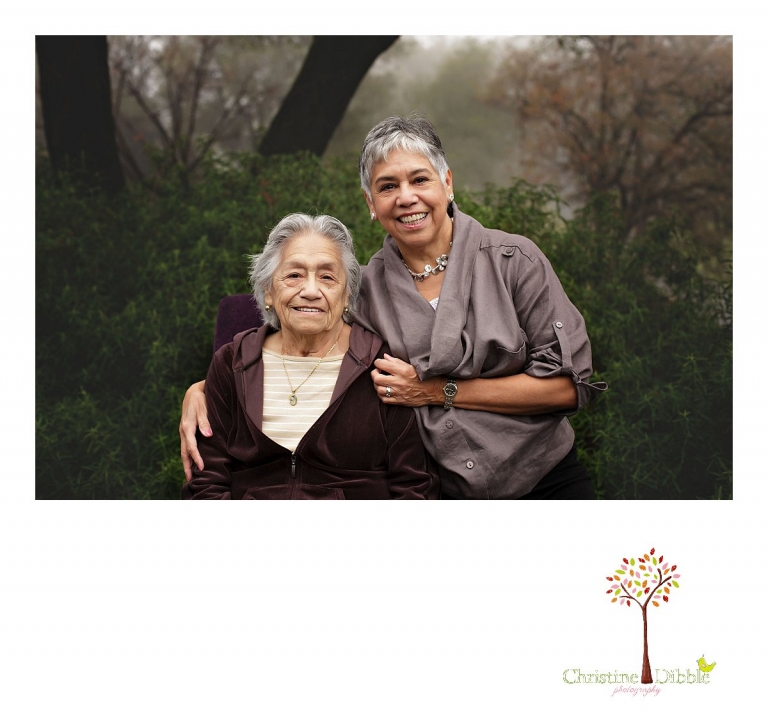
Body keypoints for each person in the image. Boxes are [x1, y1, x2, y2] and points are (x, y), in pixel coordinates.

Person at [181, 115, 606, 499]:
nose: (406, 198)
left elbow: (570, 388)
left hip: (546, 479)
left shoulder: (515, 260)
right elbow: (296, 322)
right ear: (371, 203)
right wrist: (204, 390)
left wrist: (437, 391)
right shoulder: (363, 291)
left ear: (447, 183)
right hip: (443, 490)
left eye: (419, 180)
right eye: (388, 186)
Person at [182, 212, 439, 499]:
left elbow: (413, 486)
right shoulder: (231, 363)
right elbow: (207, 483)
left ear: (346, 295)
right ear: (268, 290)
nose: (311, 290)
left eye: (327, 277)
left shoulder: (383, 367)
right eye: (294, 275)